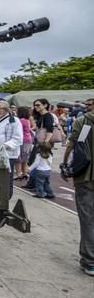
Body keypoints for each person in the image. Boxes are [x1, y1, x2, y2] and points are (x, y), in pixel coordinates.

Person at [62, 98, 94, 276]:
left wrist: (66, 165)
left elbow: (72, 145)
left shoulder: (84, 122)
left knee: (88, 218)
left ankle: (90, 260)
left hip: (87, 175)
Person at [14, 106, 33, 180]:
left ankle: (18, 173)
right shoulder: (27, 120)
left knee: (18, 158)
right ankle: (24, 173)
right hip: (28, 140)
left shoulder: (20, 120)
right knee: (25, 158)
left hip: (22, 140)